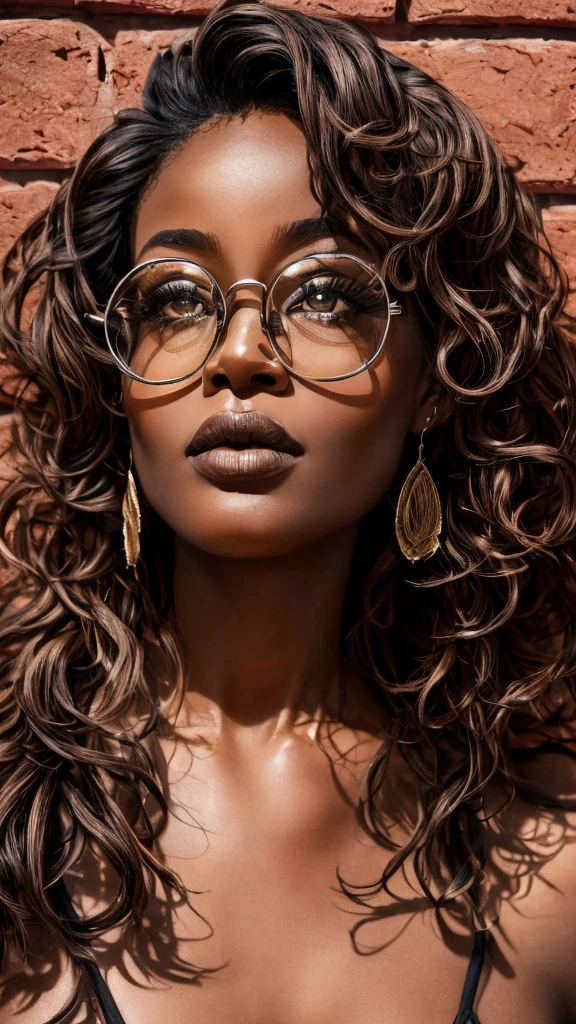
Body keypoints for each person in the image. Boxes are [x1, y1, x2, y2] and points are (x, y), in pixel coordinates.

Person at [0, 0, 575, 1020]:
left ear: (436, 376)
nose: (238, 354)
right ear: (115, 373)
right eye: (176, 295)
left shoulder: (547, 864)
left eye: (325, 293)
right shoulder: (16, 825)